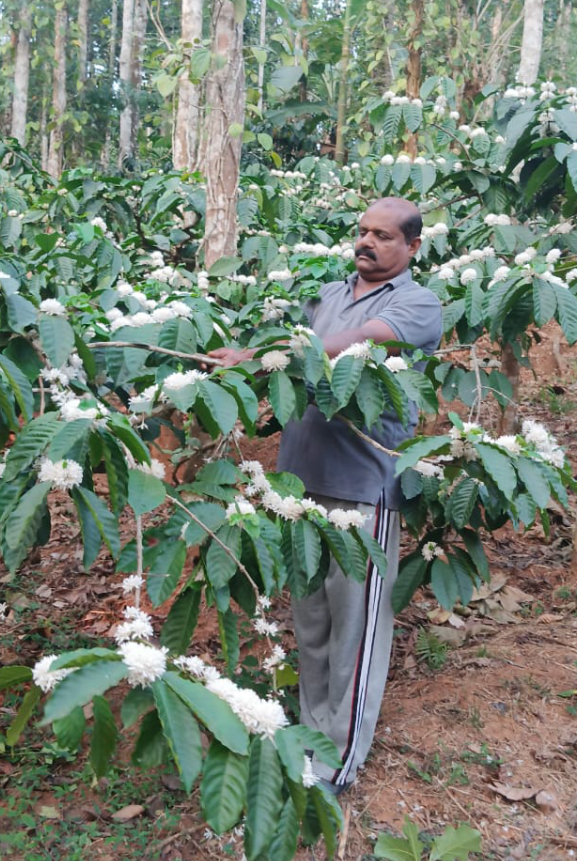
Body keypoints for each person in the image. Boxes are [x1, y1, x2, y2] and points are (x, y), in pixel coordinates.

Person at [209, 196, 442, 794]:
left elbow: (365, 340)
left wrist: (272, 352)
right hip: (301, 489)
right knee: (310, 626)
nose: (367, 242)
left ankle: (338, 762)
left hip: (364, 491)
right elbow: (292, 358)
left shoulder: (416, 303)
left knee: (357, 635)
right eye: (362, 232)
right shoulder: (328, 295)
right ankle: (311, 734)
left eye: (383, 235)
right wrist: (247, 360)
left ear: (412, 246)